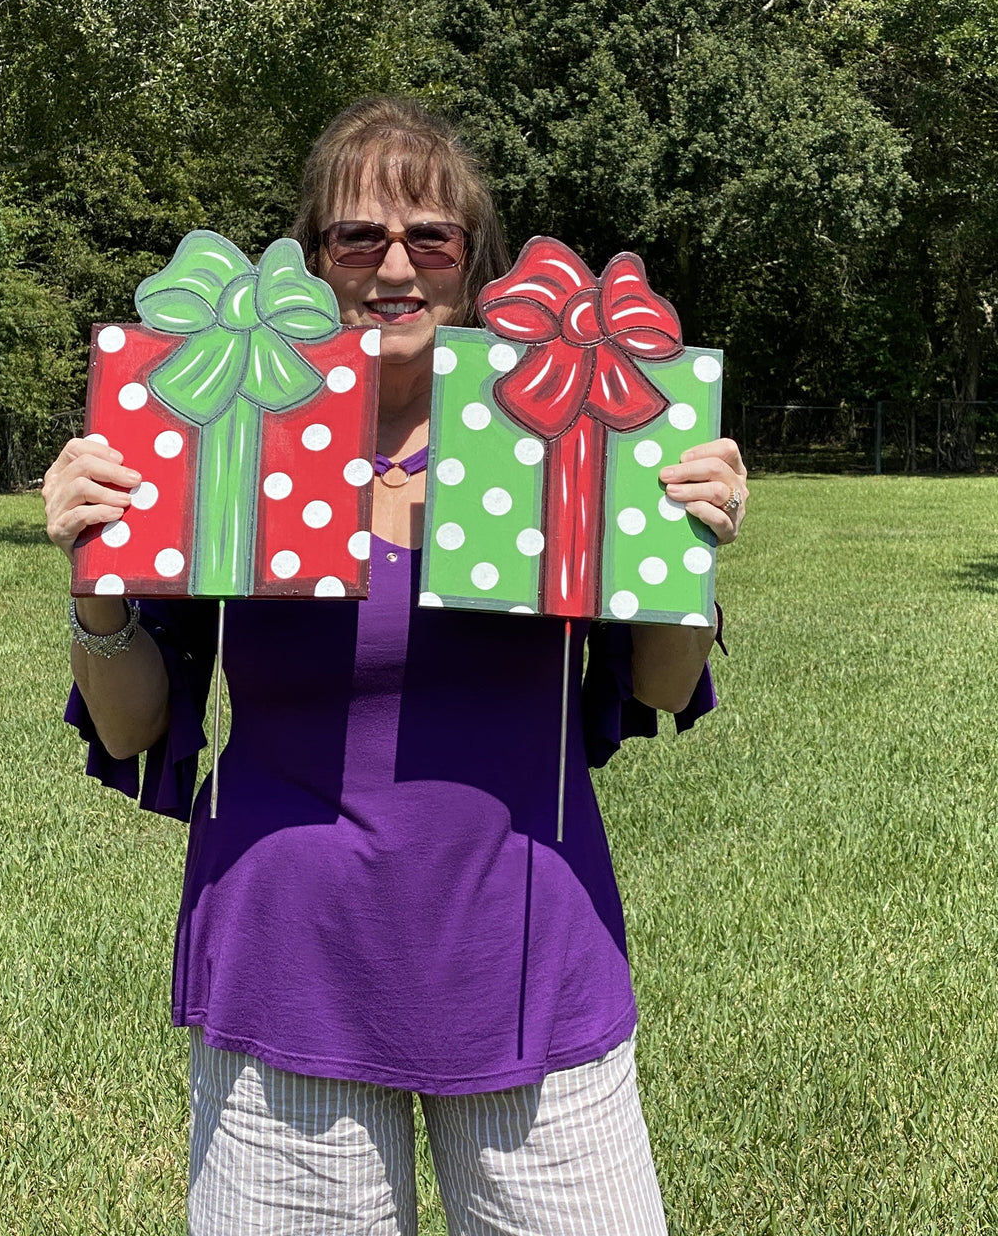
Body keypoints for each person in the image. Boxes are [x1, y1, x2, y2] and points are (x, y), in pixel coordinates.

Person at [42, 96, 748, 1236]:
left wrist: (690, 549)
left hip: (529, 970)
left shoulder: (569, 433)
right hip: (290, 974)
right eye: (357, 237)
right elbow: (130, 730)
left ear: (475, 266)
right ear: (310, 262)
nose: (396, 267)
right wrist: (94, 585)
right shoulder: (228, 433)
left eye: (432, 237)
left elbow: (660, 687)